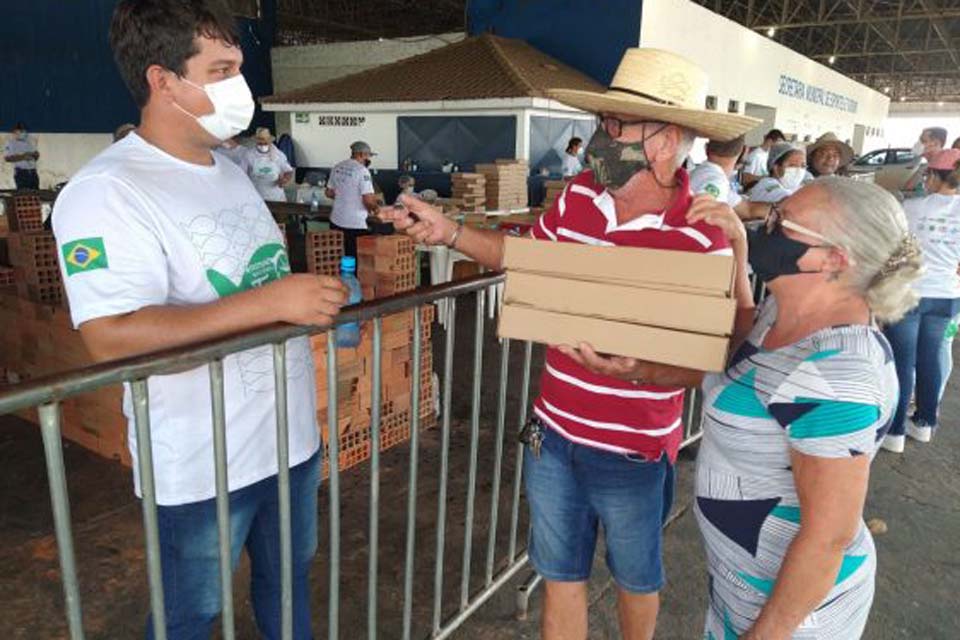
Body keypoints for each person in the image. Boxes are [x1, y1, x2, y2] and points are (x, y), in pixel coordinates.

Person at [381, 47, 760, 640]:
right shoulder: (578, 198)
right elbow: (523, 258)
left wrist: (640, 370)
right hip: (554, 436)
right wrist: (449, 231)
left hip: (633, 450)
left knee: (637, 580)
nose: (602, 137)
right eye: (603, 123)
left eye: (617, 126)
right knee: (561, 576)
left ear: (666, 140)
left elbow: (700, 362)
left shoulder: (701, 234)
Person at [53, 2, 347, 637]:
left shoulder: (229, 171)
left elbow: (259, 280)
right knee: (193, 611)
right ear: (163, 81)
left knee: (290, 586)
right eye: (221, 69)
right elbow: (110, 337)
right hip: (203, 463)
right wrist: (270, 304)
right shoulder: (107, 192)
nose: (239, 85)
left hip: (288, 442)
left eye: (238, 67)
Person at [692, 179, 917, 638]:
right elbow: (743, 362)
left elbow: (826, 538)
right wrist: (643, 371)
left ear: (835, 258)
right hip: (740, 584)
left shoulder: (839, 375)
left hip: (793, 617)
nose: (765, 226)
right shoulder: (788, 307)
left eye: (782, 223)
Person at [882, 148, 960, 453]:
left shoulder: (911, 209)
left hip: (910, 292)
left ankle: (895, 432)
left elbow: (893, 249)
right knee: (930, 358)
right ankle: (925, 423)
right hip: (948, 295)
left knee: (903, 360)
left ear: (932, 176)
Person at [690, 136, 769, 220]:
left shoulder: (703, 173)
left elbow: (748, 209)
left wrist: (777, 209)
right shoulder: (717, 182)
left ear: (706, 148)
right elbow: (702, 219)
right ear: (744, 150)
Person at [327, 141, 379, 257]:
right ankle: (351, 275)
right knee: (355, 257)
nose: (369, 159)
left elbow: (329, 192)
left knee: (339, 254)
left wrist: (345, 196)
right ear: (360, 154)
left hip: (336, 220)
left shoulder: (337, 167)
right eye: (368, 156)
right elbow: (368, 200)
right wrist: (376, 209)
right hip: (355, 223)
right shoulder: (362, 171)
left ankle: (341, 275)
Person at [241, 127, 294, 202]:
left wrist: (284, 180)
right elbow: (242, 174)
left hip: (276, 197)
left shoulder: (278, 155)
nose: (263, 146)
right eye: (260, 143)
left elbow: (289, 171)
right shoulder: (249, 155)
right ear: (256, 142)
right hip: (257, 197)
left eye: (265, 143)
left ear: (269, 142)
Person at [904, 126, 947, 193]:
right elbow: (908, 187)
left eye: (923, 141)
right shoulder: (925, 165)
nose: (919, 144)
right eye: (919, 140)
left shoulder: (947, 167)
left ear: (936, 143)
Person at [4, 122, 40, 190]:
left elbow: (36, 154)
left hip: (32, 172)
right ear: (15, 132)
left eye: (25, 131)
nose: (24, 133)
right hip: (21, 173)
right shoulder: (11, 143)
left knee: (35, 193)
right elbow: (7, 158)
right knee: (23, 194)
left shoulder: (29, 141)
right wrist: (23, 157)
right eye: (22, 131)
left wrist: (35, 155)